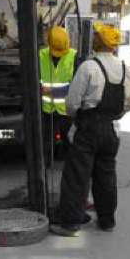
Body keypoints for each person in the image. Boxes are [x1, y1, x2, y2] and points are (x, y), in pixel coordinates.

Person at [50, 23, 130, 236]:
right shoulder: (126, 70)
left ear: (98, 42)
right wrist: (115, 116)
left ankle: (70, 223)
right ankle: (107, 221)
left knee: (77, 176)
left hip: (88, 129)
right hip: (111, 130)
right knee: (106, 176)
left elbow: (71, 103)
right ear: (113, 46)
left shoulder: (89, 67)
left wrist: (77, 118)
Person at [39, 26, 76, 161]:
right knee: (46, 143)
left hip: (67, 110)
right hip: (47, 110)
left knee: (70, 142)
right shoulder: (40, 56)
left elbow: (77, 87)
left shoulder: (74, 56)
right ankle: (44, 169)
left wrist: (52, 91)